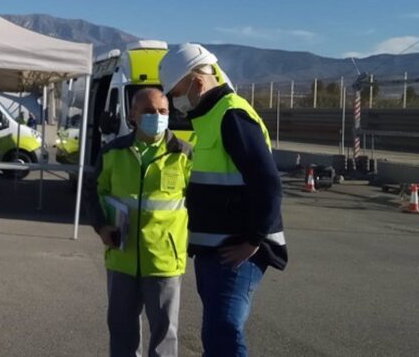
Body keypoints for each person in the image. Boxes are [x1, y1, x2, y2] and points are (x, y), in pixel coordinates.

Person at [159, 43, 287, 357]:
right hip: (213, 250)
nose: (176, 104)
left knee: (223, 330)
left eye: (176, 93)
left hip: (236, 251)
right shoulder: (212, 118)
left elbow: (268, 183)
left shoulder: (232, 116)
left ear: (197, 82)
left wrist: (254, 239)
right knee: (216, 333)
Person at [84, 88, 191, 357]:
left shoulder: (183, 155)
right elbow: (93, 192)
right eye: (149, 111)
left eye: (162, 112)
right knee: (121, 332)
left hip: (164, 261)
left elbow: (200, 203)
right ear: (133, 114)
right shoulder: (112, 152)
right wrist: (101, 226)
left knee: (165, 335)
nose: (157, 116)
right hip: (122, 259)